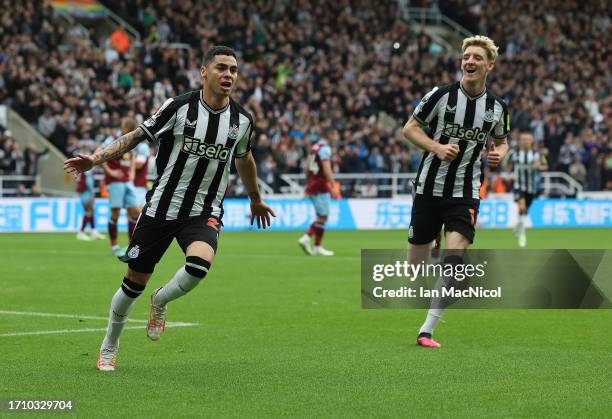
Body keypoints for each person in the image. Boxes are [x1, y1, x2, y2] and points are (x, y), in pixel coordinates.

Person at [64, 45, 275, 372]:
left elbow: (244, 158)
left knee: (200, 263)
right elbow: (136, 136)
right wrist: (95, 158)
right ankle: (109, 345)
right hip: (161, 208)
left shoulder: (242, 120)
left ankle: (161, 300)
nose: (228, 75)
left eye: (233, 69)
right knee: (133, 282)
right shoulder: (179, 107)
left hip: (204, 209)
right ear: (204, 71)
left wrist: (255, 197)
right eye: (221, 68)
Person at [402, 35, 510, 348]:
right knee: (415, 269)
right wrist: (436, 146)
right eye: (466, 57)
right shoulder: (440, 96)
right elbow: (409, 128)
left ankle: (427, 330)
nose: (470, 62)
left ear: (490, 65)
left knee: (455, 261)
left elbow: (502, 141)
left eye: (477, 57)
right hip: (429, 187)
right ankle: (434, 240)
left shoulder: (497, 108)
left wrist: (498, 154)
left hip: (466, 190)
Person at [100, 118, 141, 257]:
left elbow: (132, 156)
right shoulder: (112, 139)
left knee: (135, 211)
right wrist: (110, 171)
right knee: (115, 214)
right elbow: (99, 151)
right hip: (115, 181)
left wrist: (132, 171)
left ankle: (130, 246)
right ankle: (115, 246)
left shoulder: (133, 140)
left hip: (126, 181)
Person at [298, 128, 340, 256]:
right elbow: (327, 170)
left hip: (312, 184)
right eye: (336, 134)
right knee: (323, 217)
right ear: (330, 135)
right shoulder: (325, 149)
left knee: (321, 216)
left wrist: (307, 184)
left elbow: (307, 167)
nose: (337, 137)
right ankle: (306, 238)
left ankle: (317, 247)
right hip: (320, 185)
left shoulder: (315, 147)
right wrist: (333, 186)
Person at [510, 131, 547, 247]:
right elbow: (505, 163)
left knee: (525, 210)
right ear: (520, 141)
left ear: (532, 141)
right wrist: (509, 173)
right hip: (518, 185)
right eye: (523, 139)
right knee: (522, 205)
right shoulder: (514, 153)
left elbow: (546, 166)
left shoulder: (537, 154)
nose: (526, 141)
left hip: (531, 187)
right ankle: (522, 235)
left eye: (528, 139)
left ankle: (518, 226)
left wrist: (539, 166)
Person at [75, 149, 105, 241]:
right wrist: (92, 193)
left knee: (90, 211)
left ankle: (93, 231)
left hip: (82, 191)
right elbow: (89, 182)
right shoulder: (87, 168)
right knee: (89, 210)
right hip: (86, 192)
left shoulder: (81, 167)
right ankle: (81, 232)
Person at [132, 141, 151, 207]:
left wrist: (127, 162)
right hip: (131, 185)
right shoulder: (131, 145)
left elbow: (139, 165)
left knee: (137, 210)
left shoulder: (143, 147)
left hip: (138, 186)